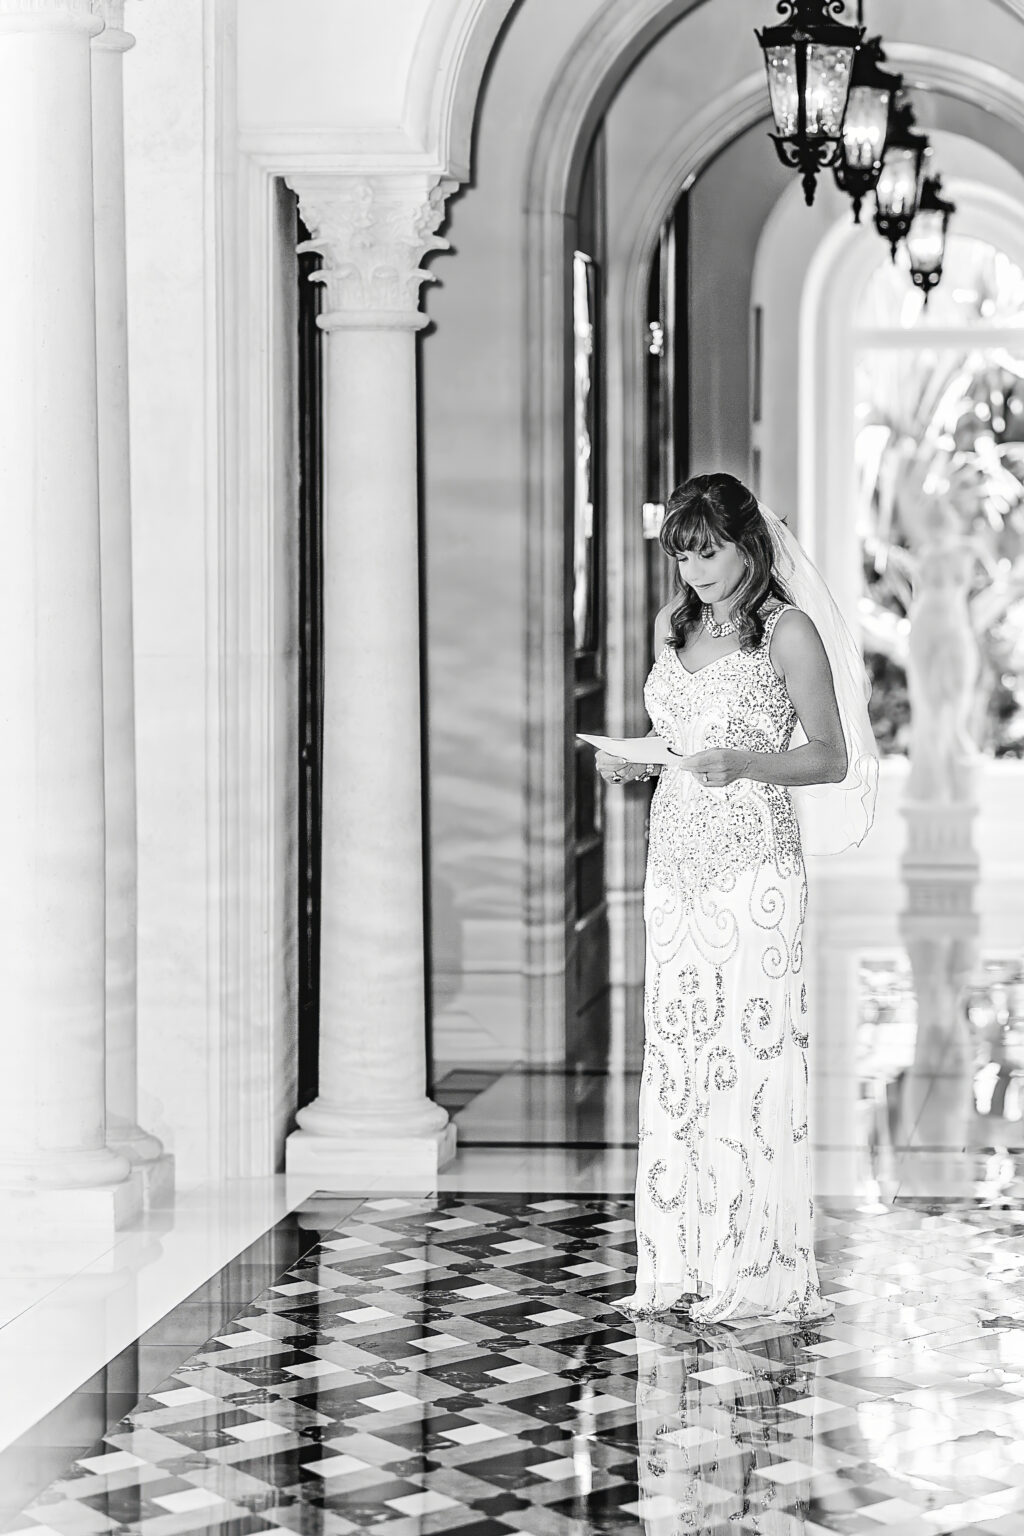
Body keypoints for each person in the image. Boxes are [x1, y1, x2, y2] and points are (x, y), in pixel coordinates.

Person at [597, 473, 878, 1326]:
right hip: (676, 861)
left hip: (756, 863)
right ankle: (679, 1262)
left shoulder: (786, 632)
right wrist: (634, 760)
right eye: (683, 554)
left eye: (709, 551)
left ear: (749, 542)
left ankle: (753, 1267)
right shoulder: (671, 625)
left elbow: (830, 758)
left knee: (748, 1055)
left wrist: (747, 763)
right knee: (681, 1053)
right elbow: (680, 739)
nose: (697, 571)